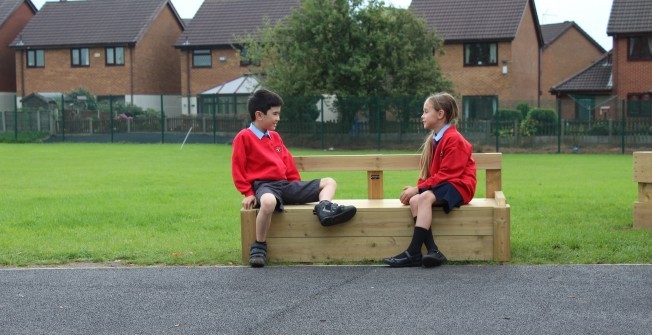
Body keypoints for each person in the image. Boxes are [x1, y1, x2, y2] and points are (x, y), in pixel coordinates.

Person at [231, 89, 357, 268]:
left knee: (329, 182)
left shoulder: (275, 136)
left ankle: (325, 210)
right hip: (265, 187)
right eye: (275, 114)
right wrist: (248, 193)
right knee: (267, 203)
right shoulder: (244, 137)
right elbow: (238, 168)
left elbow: (287, 163)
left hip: (286, 186)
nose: (278, 118)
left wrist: (297, 185)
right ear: (259, 115)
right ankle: (259, 245)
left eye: (278, 114)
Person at [383, 92, 476, 268]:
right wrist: (417, 190)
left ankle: (413, 252)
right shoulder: (436, 139)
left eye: (426, 111)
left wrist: (419, 189)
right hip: (447, 183)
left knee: (423, 197)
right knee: (416, 200)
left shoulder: (454, 139)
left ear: (440, 114)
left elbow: (448, 174)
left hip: (460, 186)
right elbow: (434, 174)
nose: (422, 116)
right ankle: (432, 250)